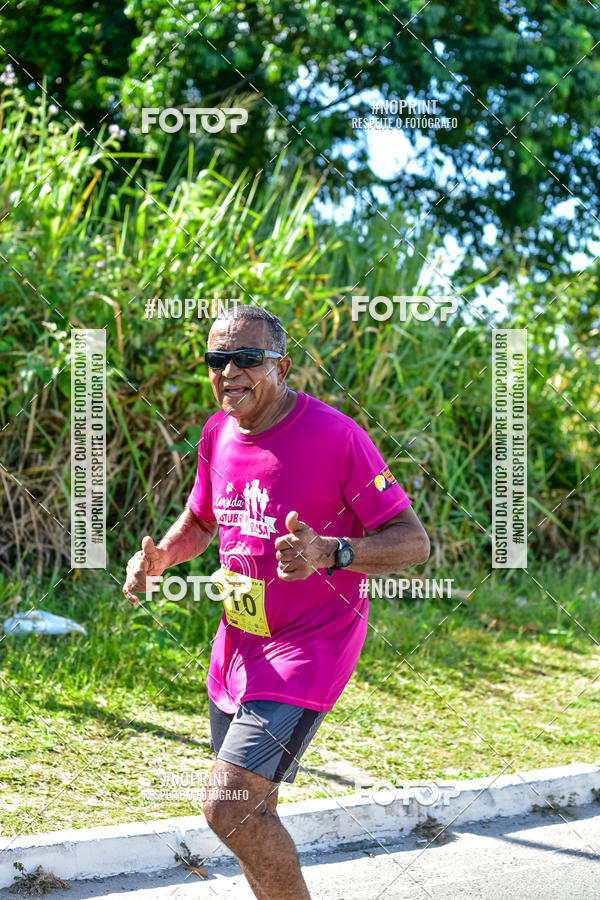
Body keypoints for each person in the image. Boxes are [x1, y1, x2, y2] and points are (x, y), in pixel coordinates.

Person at [123, 305, 430, 900]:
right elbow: (203, 518)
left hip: (311, 644)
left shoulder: (338, 437)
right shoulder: (218, 432)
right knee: (250, 810)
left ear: (282, 366)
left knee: (228, 805)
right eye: (218, 359)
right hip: (237, 644)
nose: (229, 371)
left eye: (246, 359)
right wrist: (163, 554)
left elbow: (413, 542)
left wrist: (332, 553)